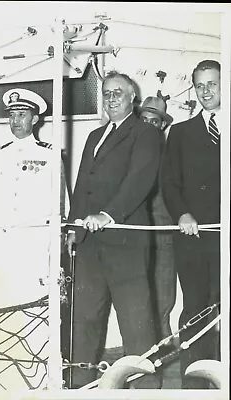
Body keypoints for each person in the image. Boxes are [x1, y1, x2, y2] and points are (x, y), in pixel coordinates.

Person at [66, 71, 161, 389]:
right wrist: (72, 227)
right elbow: (82, 187)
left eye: (118, 92)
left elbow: (140, 180)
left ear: (133, 97)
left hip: (125, 241)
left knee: (135, 321)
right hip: (90, 243)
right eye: (106, 93)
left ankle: (147, 390)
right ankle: (80, 382)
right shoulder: (94, 136)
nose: (111, 98)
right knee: (85, 317)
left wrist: (109, 214)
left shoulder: (145, 133)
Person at [162, 60, 221, 389]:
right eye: (200, 85)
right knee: (197, 309)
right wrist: (182, 214)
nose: (206, 91)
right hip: (194, 237)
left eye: (212, 83)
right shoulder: (181, 132)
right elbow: (169, 182)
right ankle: (195, 389)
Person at [0, 88, 68, 228]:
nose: (15, 120)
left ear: (34, 119)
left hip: (37, 233)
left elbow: (61, 202)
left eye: (21, 115)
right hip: (4, 233)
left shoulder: (50, 155)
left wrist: (60, 234)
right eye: (11, 115)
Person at [139, 97, 177, 345]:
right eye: (145, 120)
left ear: (162, 125)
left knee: (164, 297)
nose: (150, 125)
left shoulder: (172, 153)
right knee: (137, 299)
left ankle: (161, 355)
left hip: (163, 234)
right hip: (133, 236)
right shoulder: (126, 150)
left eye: (155, 121)